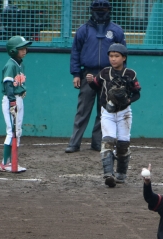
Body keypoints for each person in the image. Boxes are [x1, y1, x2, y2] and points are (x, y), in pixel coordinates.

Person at [65, 0, 126, 154]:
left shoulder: (116, 30)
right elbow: (75, 52)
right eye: (97, 8)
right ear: (91, 10)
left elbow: (123, 53)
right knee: (83, 109)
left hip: (108, 75)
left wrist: (119, 75)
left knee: (104, 110)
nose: (100, 11)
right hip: (88, 74)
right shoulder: (83, 30)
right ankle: (74, 143)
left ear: (109, 10)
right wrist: (76, 74)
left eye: (104, 8)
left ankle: (97, 142)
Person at [86, 43, 141, 187]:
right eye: (111, 56)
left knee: (123, 144)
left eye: (117, 56)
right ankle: (108, 174)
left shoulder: (130, 74)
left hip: (124, 113)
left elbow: (137, 94)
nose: (113, 59)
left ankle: (121, 174)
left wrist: (128, 100)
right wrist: (90, 81)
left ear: (124, 58)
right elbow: (95, 86)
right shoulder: (104, 72)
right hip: (107, 112)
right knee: (108, 140)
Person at [0, 36, 32, 172]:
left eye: (25, 48)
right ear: (13, 50)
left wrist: (22, 91)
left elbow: (17, 83)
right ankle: (5, 163)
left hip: (18, 100)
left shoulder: (20, 64)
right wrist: (12, 101)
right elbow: (8, 84)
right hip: (10, 100)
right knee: (11, 131)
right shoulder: (11, 65)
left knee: (17, 131)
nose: (24, 51)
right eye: (21, 48)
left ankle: (13, 162)